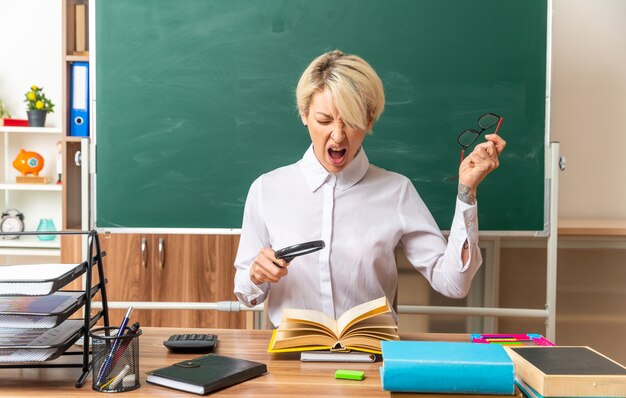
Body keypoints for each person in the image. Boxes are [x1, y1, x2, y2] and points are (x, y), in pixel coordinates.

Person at [233, 50, 506, 328]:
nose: (338, 136)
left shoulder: (396, 191)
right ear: (304, 114)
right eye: (324, 120)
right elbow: (246, 295)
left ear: (370, 119)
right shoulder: (268, 189)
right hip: (294, 359)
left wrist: (467, 191)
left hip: (369, 357)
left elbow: (453, 284)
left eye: (350, 121)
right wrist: (255, 274)